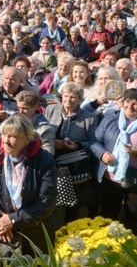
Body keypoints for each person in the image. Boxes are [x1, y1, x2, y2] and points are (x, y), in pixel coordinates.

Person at [0, 114, 57, 257]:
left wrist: (12, 219)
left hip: (33, 231)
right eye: (4, 134)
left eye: (12, 136)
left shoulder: (44, 161)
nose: (5, 141)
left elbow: (47, 202)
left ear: (27, 139)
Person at [90, 89, 137, 234]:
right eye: (128, 102)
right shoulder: (111, 117)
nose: (130, 106)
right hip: (111, 177)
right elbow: (95, 140)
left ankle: (131, 252)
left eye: (136, 104)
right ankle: (105, 250)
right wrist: (103, 154)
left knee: (135, 221)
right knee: (108, 217)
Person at [44, 82, 99, 222]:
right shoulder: (51, 109)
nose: (68, 100)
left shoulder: (90, 118)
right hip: (53, 160)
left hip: (75, 164)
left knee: (73, 202)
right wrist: (53, 142)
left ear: (80, 100)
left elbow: (94, 141)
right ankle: (51, 228)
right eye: (66, 96)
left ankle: (70, 229)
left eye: (73, 97)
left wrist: (77, 145)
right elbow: (43, 132)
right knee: (51, 198)